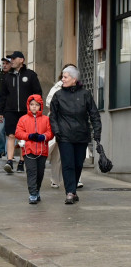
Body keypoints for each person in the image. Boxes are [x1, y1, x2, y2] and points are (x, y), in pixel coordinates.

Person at [49, 66, 101, 205]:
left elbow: (94, 114)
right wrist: (57, 131)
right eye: (62, 77)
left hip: (81, 135)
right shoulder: (58, 95)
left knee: (78, 164)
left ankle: (73, 190)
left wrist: (97, 131)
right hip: (64, 136)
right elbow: (53, 116)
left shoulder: (85, 94)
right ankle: (70, 192)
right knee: (68, 164)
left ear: (74, 79)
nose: (62, 80)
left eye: (65, 77)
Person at [0, 51, 42, 174]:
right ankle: (10, 161)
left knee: (24, 137)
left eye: (13, 58)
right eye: (10, 59)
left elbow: (37, 93)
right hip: (10, 110)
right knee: (11, 135)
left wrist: (35, 108)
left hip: (26, 111)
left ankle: (22, 161)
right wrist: (0, 111)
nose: (11, 61)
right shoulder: (7, 76)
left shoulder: (31, 75)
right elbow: (3, 95)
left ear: (21, 60)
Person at [14, 95, 53, 204]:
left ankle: (37, 190)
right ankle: (32, 193)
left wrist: (43, 137)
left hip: (42, 151)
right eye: (32, 105)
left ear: (40, 106)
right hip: (28, 150)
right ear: (28, 106)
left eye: (36, 105)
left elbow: (50, 133)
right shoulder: (23, 119)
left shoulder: (46, 119)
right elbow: (18, 133)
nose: (34, 107)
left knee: (40, 173)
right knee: (31, 172)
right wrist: (29, 136)